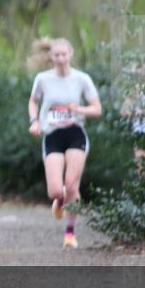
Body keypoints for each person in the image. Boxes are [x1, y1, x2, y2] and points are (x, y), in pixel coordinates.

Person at [27, 38, 102, 249]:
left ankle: (70, 233)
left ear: (71, 54)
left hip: (75, 134)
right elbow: (33, 101)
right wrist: (35, 121)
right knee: (56, 191)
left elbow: (97, 109)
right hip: (52, 135)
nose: (60, 59)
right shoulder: (42, 79)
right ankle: (59, 202)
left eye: (64, 54)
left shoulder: (82, 79)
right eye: (56, 55)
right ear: (51, 56)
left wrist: (78, 109)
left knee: (71, 185)